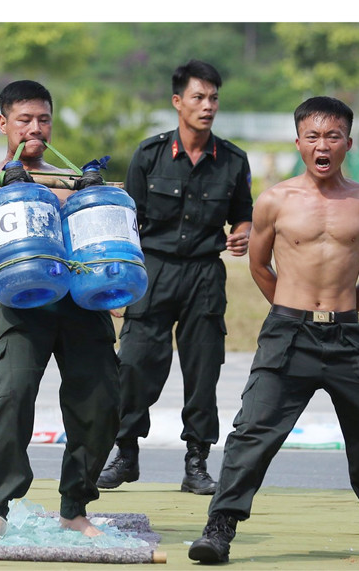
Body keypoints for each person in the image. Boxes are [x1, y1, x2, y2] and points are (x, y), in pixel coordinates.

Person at [189, 97, 359, 566]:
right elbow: (258, 265)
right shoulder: (275, 200)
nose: (323, 145)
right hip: (288, 333)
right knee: (251, 432)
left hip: (346, 337)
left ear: (348, 144)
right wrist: (291, 311)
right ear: (299, 142)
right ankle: (220, 528)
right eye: (313, 136)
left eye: (333, 136)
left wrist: (340, 313)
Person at [0, 80, 119, 542]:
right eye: (25, 120)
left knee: (99, 404)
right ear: (4, 123)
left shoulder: (72, 183)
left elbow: (102, 248)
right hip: (22, 310)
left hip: (81, 308)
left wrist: (111, 294)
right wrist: (3, 287)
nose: (35, 129)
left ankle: (74, 508)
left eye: (43, 119)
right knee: (13, 396)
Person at [98, 60, 251, 497]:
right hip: (154, 270)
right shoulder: (149, 156)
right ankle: (125, 452)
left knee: (203, 370)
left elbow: (244, 214)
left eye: (214, 98)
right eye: (199, 97)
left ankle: (197, 462)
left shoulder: (233, 161)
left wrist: (242, 234)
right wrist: (118, 283)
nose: (208, 106)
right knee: (134, 363)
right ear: (177, 101)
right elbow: (129, 225)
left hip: (205, 274)